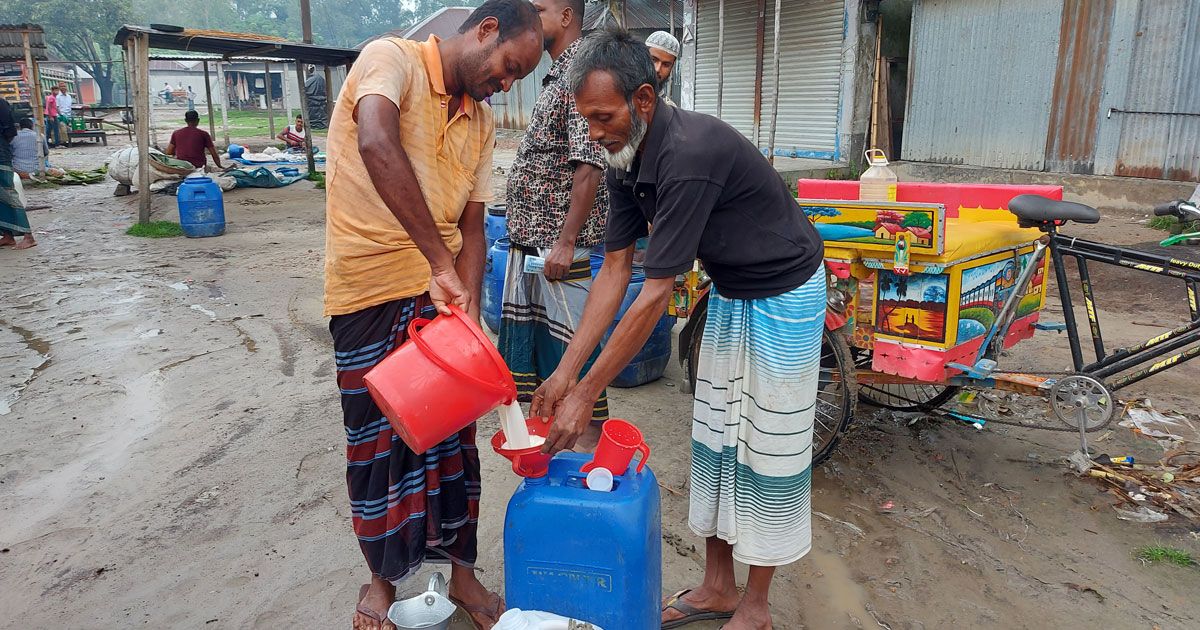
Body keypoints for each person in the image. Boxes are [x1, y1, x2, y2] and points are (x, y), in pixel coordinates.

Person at [532, 30, 825, 629]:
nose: (593, 131)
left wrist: (587, 395)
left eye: (602, 116)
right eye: (585, 119)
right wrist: (564, 373)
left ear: (643, 100)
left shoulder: (688, 154)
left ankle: (758, 605)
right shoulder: (621, 156)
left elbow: (656, 291)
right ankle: (719, 586)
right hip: (734, 290)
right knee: (716, 437)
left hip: (786, 291)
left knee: (766, 449)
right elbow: (615, 271)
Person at [321, 1, 542, 628]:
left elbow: (474, 223)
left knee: (452, 445)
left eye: (514, 79)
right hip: (367, 290)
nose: (504, 83)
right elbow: (375, 140)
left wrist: (466, 302)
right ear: (485, 29)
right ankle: (381, 584)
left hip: (438, 298)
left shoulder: (481, 120)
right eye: (505, 68)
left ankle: (464, 580)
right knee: (376, 445)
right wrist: (437, 262)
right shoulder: (390, 59)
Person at [500, 0, 610, 447]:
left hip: (557, 253)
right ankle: (549, 458)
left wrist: (566, 243)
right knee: (537, 364)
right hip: (533, 250)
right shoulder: (555, 75)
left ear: (566, 17)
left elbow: (589, 164)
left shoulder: (582, 72)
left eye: (539, 9)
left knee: (573, 360)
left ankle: (587, 462)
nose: (531, 18)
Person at [1, 98, 36, 249]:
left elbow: (10, 132)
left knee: (9, 194)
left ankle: (28, 236)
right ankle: (8, 235)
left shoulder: (1, 104)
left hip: (1, 155)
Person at [645, 30, 679, 106]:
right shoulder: (622, 95)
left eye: (666, 64)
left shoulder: (669, 109)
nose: (657, 69)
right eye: (653, 60)